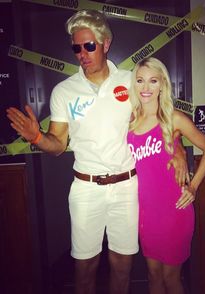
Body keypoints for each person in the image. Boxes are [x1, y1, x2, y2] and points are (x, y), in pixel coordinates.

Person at [6, 10, 188, 294]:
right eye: (76, 48)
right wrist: (38, 137)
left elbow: (162, 118)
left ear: (106, 43)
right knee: (85, 268)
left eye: (89, 45)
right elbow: (57, 145)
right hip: (86, 189)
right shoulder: (64, 91)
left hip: (127, 187)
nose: (82, 53)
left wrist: (179, 150)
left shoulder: (131, 81)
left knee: (122, 267)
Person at [127, 57, 205, 294]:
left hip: (174, 211)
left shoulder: (174, 118)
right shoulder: (130, 121)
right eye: (140, 81)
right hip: (146, 214)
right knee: (153, 276)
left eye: (153, 81)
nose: (146, 88)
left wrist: (194, 186)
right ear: (134, 84)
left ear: (162, 85)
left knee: (170, 278)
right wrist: (178, 150)